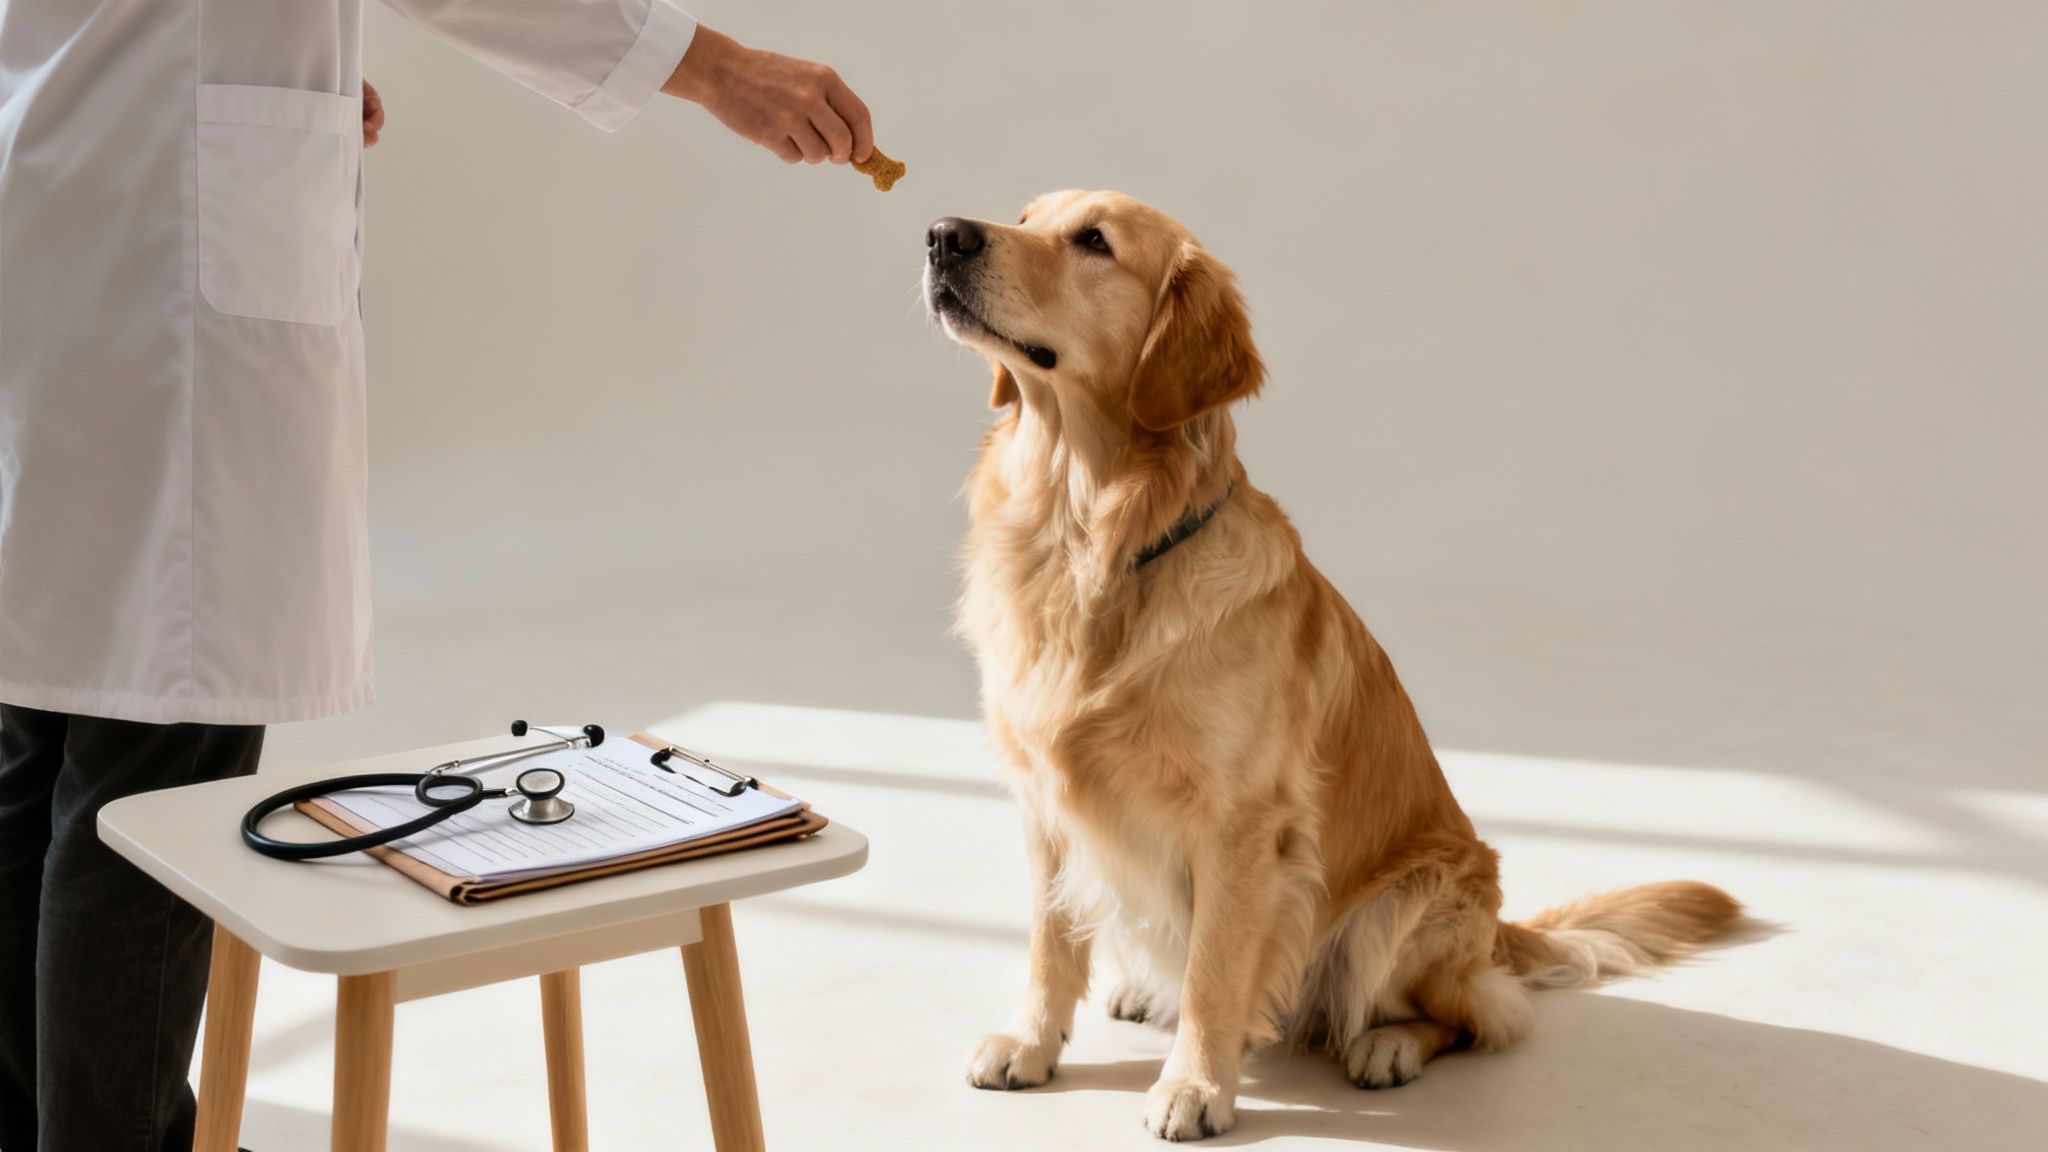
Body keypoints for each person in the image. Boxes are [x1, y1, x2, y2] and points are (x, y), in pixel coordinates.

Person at [0, 3, 874, 1149]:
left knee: (46, 735)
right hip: (163, 251)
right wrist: (712, 67)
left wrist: (269, 72)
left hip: (59, 166)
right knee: (148, 777)